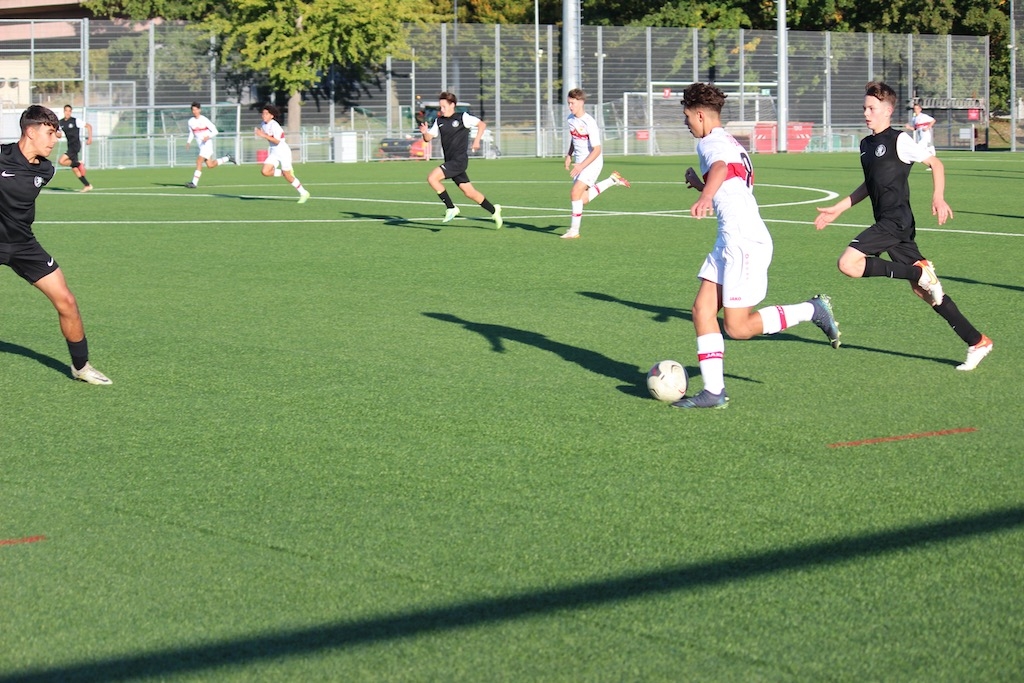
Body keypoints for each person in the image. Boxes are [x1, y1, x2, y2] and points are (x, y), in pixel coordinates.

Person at [673, 82, 839, 409]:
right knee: (702, 311)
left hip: (743, 240)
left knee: (737, 327)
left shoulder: (710, 143)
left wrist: (706, 195)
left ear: (701, 115)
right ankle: (714, 391)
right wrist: (702, 186)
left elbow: (720, 169)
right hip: (731, 236)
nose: (686, 123)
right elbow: (733, 183)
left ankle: (812, 310)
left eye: (687, 117)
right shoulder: (728, 141)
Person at [815, 82, 992, 371]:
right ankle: (977, 341)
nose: (866, 113)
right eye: (864, 108)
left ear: (887, 110)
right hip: (889, 224)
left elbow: (936, 164)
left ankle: (920, 272)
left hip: (896, 222)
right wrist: (839, 207)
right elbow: (870, 185)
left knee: (848, 263)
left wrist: (938, 197)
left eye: (872, 108)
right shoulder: (865, 145)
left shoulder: (900, 140)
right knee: (925, 292)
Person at [1, 105, 111, 385]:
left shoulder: (46, 169)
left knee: (67, 301)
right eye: (49, 133)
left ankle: (81, 367)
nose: (54, 140)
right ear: (30, 131)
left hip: (23, 245)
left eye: (56, 134)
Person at [418, 92, 502, 228]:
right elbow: (428, 138)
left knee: (432, 178)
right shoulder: (439, 121)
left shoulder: (463, 117)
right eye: (440, 107)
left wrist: (477, 141)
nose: (442, 109)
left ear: (452, 105)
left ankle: (451, 208)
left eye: (444, 106)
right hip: (450, 161)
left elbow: (481, 124)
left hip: (459, 161)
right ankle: (494, 210)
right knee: (470, 192)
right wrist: (424, 133)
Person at [561, 88, 630, 239]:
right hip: (580, 162)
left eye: (572, 103)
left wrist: (581, 166)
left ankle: (574, 231)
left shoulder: (589, 122)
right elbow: (574, 138)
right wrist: (569, 154)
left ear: (581, 102)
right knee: (582, 199)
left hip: (592, 162)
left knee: (574, 193)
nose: (570, 106)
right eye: (568, 103)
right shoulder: (570, 119)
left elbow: (597, 150)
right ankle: (612, 180)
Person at [254, 104, 310, 203]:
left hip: (282, 151)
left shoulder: (275, 125)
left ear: (272, 116)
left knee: (288, 176)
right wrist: (259, 133)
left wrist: (263, 135)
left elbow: (277, 141)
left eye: (266, 114)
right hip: (273, 151)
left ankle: (304, 193)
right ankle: (285, 173)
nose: (264, 115)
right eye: (263, 113)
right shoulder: (263, 124)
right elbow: (266, 135)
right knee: (265, 172)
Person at [185, 101, 236, 188]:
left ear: (199, 110)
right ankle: (227, 158)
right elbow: (191, 133)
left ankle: (194, 183)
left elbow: (215, 131)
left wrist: (208, 136)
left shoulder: (204, 120)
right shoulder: (190, 121)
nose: (195, 111)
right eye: (193, 110)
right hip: (201, 146)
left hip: (207, 145)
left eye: (196, 109)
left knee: (198, 162)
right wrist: (188, 142)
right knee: (210, 165)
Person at [56, 104, 93, 192]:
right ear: (64, 111)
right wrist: (53, 132)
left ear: (71, 112)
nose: (67, 112)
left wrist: (90, 138)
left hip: (75, 146)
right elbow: (59, 135)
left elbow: (89, 126)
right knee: (75, 170)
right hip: (70, 146)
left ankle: (78, 163)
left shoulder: (75, 120)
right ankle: (87, 185)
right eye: (66, 111)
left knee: (61, 161)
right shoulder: (61, 122)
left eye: (69, 111)